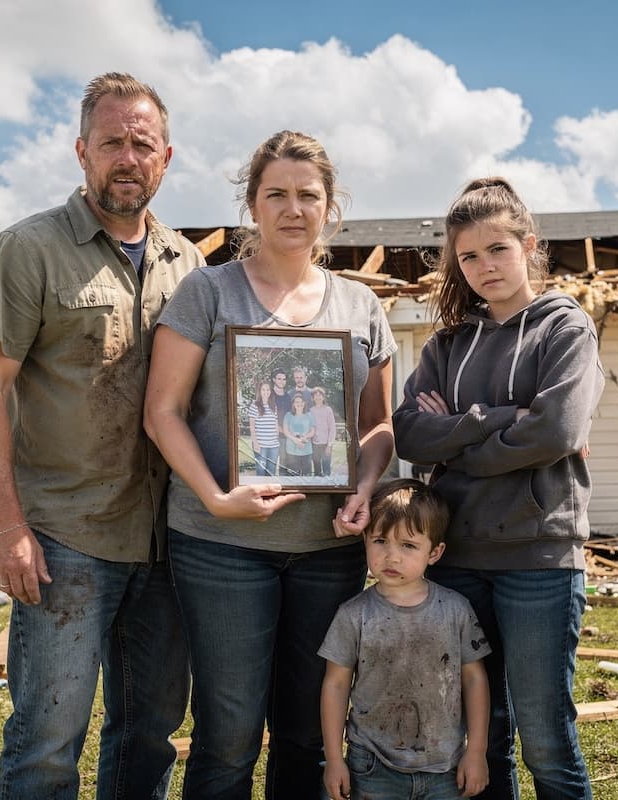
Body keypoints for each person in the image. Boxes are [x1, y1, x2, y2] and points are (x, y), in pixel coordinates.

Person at [0, 72, 202, 800]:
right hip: (65, 537)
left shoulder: (189, 265)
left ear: (166, 158)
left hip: (166, 540)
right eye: (111, 142)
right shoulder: (29, 249)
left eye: (142, 144)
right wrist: (7, 527)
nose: (128, 158)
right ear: (81, 151)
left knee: (150, 735)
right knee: (47, 740)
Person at [143, 129, 396, 799]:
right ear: (251, 204)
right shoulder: (208, 292)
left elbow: (377, 426)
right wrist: (215, 495)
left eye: (308, 195)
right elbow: (162, 411)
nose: (293, 208)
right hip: (220, 544)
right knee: (228, 735)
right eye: (276, 194)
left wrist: (365, 488)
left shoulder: (361, 305)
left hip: (327, 550)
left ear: (329, 208)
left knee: (309, 732)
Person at [392, 177, 604, 800]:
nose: (484, 266)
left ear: (528, 246)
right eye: (468, 257)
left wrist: (456, 444)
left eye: (497, 250)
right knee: (480, 738)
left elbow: (557, 430)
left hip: (538, 558)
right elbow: (410, 433)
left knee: (545, 738)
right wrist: (499, 419)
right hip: (458, 559)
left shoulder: (564, 328)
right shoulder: (449, 343)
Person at [319, 478, 490, 800]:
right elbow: (336, 685)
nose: (391, 557)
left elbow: (474, 679)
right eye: (380, 541)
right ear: (365, 540)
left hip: (445, 766)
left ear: (435, 552)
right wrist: (334, 759)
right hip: (372, 765)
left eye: (408, 545)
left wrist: (477, 751)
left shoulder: (456, 609)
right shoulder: (352, 615)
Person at [249, 379, 282, 476]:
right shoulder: (254, 405)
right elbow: (252, 427)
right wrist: (255, 443)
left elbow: (275, 423)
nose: (266, 392)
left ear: (270, 391)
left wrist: (277, 437)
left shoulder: (273, 406)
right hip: (261, 445)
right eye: (263, 389)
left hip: (274, 446)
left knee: (271, 472)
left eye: (268, 389)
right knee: (261, 471)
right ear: (259, 391)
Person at [281, 391, 316, 478]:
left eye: (301, 402)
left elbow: (312, 431)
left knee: (307, 477)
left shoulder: (309, 415)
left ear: (304, 403)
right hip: (292, 451)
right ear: (293, 404)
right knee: (293, 477)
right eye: (296, 402)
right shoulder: (288, 415)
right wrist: (296, 441)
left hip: (306, 450)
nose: (299, 404)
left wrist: (304, 438)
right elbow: (286, 431)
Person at [309, 385, 337, 477]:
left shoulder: (328, 410)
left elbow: (332, 428)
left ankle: (327, 483)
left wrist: (329, 445)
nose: (318, 397)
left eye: (320, 395)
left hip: (326, 444)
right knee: (317, 468)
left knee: (326, 468)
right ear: (313, 398)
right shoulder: (310, 411)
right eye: (316, 395)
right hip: (314, 444)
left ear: (323, 397)